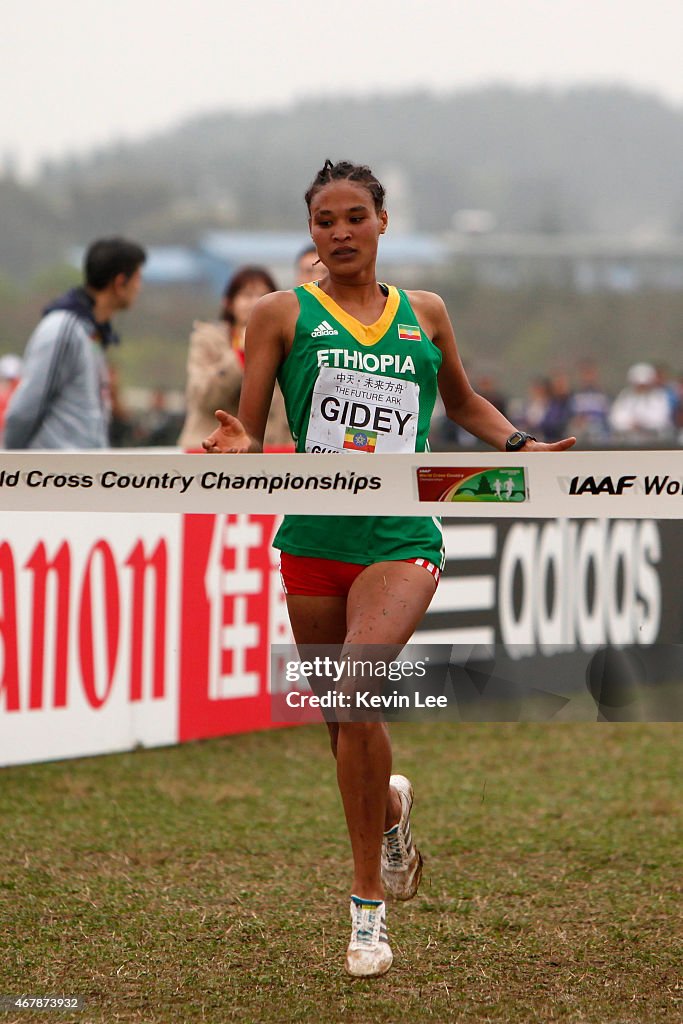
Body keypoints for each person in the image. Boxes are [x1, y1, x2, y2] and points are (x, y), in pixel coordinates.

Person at [202, 159, 575, 978]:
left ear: (380, 223)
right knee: (343, 728)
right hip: (310, 541)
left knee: (354, 691)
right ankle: (393, 806)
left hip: (398, 537)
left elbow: (464, 402)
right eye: (323, 220)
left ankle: (365, 913)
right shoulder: (278, 313)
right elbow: (251, 421)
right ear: (311, 233)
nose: (338, 231)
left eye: (353, 217)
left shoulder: (424, 313)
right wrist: (235, 443)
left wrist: (520, 446)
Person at [4, 237, 146, 449]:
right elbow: (26, 409)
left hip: (80, 474)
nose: (139, 287)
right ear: (119, 283)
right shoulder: (64, 329)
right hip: (54, 474)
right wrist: (11, 469)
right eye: (137, 278)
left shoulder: (90, 331)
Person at [177, 265, 291, 449]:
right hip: (213, 450)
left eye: (263, 295)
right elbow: (202, 397)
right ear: (229, 302)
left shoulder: (287, 340)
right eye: (247, 295)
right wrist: (241, 352)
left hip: (274, 451)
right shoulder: (207, 339)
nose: (255, 301)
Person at [609, 362, 673, 441]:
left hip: (653, 441)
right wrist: (630, 424)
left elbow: (661, 419)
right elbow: (616, 419)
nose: (641, 388)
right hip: (627, 441)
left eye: (644, 385)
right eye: (638, 385)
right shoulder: (625, 396)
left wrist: (643, 423)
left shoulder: (659, 396)